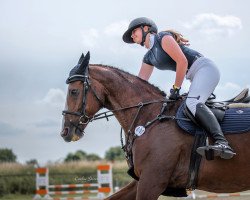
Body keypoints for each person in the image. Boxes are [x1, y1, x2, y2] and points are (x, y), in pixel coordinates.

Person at [122, 17, 235, 159]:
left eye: (134, 31)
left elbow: (182, 61)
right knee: (183, 106)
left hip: (205, 68)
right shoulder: (148, 57)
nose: (132, 36)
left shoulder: (162, 37)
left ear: (146, 28)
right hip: (194, 76)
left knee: (192, 103)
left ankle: (222, 142)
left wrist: (176, 88)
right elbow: (139, 84)